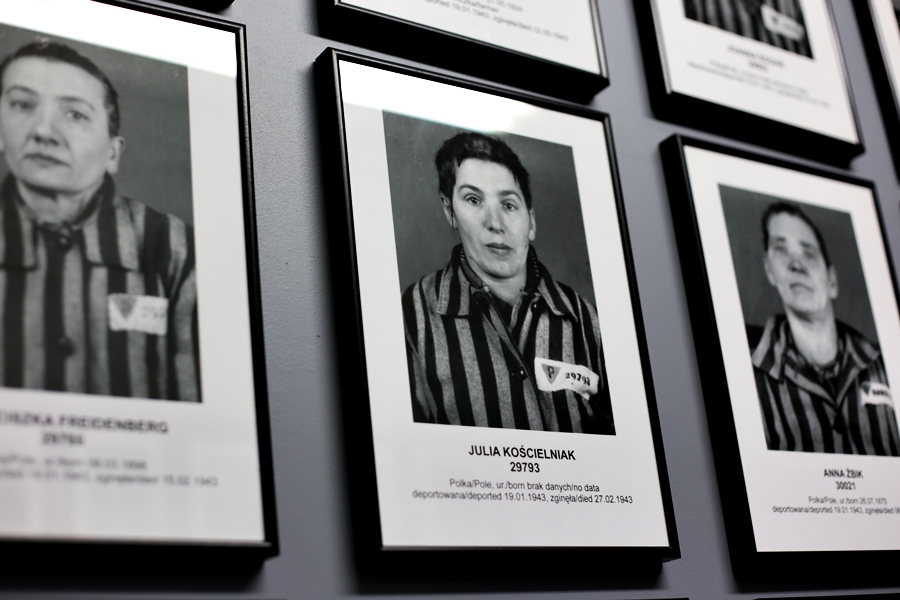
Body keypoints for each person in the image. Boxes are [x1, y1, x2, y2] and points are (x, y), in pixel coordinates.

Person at [0, 41, 199, 401]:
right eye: (23, 105)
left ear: (112, 152)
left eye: (75, 114)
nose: (43, 131)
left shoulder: (177, 250)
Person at [401, 132, 613, 434]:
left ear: (531, 221)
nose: (496, 223)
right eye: (474, 200)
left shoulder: (586, 319)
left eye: (509, 205)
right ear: (450, 211)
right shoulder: (413, 316)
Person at [749, 202, 899, 454]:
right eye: (782, 250)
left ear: (832, 280)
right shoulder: (749, 379)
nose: (796, 265)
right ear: (769, 269)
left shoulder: (887, 367)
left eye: (808, 254)